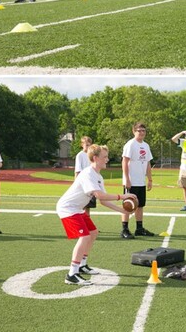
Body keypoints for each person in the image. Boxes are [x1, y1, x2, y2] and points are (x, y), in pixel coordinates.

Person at [57, 144, 135, 285]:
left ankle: (82, 265)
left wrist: (122, 211)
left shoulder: (98, 176)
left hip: (77, 208)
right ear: (95, 158)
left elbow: (103, 200)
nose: (107, 159)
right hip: (67, 208)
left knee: (93, 232)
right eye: (104, 157)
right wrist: (122, 196)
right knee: (85, 236)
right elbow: (99, 195)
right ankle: (72, 274)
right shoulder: (88, 173)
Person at [120, 122, 155, 239]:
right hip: (131, 181)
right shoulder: (130, 144)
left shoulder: (146, 145)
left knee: (140, 205)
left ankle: (139, 228)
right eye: (139, 130)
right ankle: (124, 229)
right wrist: (127, 179)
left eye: (143, 131)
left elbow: (148, 163)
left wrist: (149, 179)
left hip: (141, 181)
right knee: (127, 205)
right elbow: (125, 162)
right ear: (134, 131)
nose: (141, 133)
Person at [74, 136, 97, 215]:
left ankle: (87, 221)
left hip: (91, 182)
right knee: (82, 206)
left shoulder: (92, 155)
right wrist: (76, 184)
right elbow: (77, 171)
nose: (88, 146)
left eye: (89, 145)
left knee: (88, 206)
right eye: (86, 145)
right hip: (83, 183)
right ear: (82, 145)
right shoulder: (80, 155)